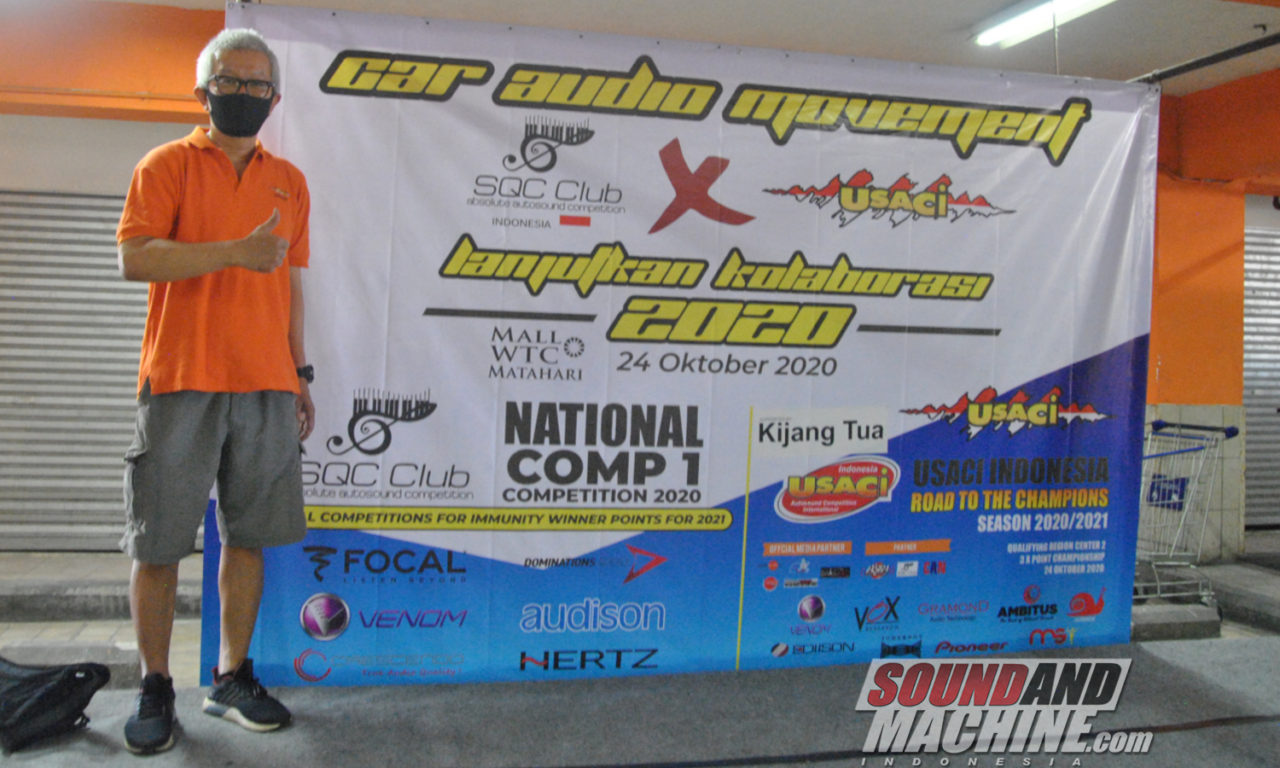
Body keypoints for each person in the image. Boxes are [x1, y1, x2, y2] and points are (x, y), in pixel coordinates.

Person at [115, 28, 314, 755]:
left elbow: (290, 282)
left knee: (248, 538)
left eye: (259, 85)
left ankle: (232, 677)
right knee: (159, 542)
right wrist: (234, 251)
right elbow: (135, 259)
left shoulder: (289, 180)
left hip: (265, 383)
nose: (245, 94)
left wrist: (299, 372)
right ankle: (154, 686)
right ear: (203, 91)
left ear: (274, 98)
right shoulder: (165, 164)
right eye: (231, 81)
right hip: (180, 379)